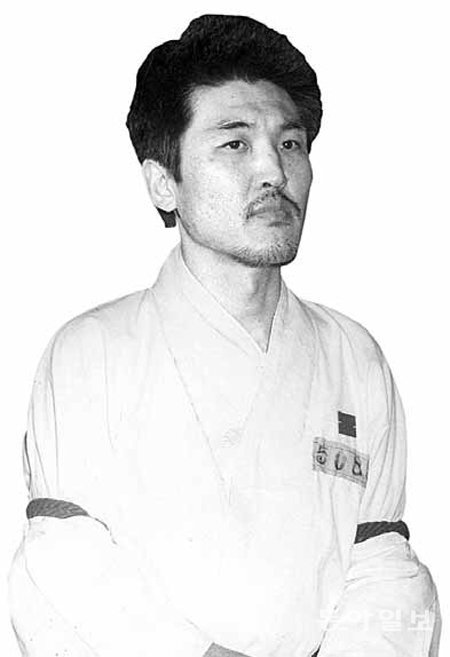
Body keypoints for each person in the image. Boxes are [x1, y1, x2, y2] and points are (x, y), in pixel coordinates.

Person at [8, 14, 440, 657]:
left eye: (290, 143)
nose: (274, 171)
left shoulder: (354, 357)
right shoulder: (91, 352)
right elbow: (61, 563)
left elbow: (384, 564)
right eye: (235, 144)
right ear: (164, 182)